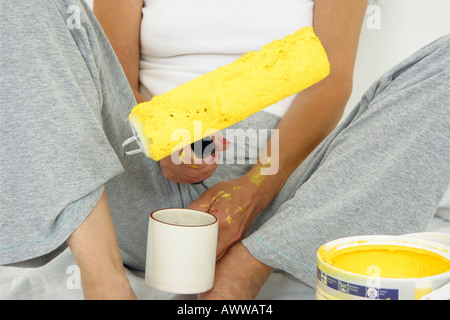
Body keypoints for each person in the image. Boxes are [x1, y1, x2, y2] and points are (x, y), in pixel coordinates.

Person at [1, 0, 449, 300]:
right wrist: (167, 141)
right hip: (147, 186)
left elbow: (331, 81)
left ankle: (244, 272)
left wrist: (255, 188)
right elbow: (110, 80)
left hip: (292, 194)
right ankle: (106, 281)